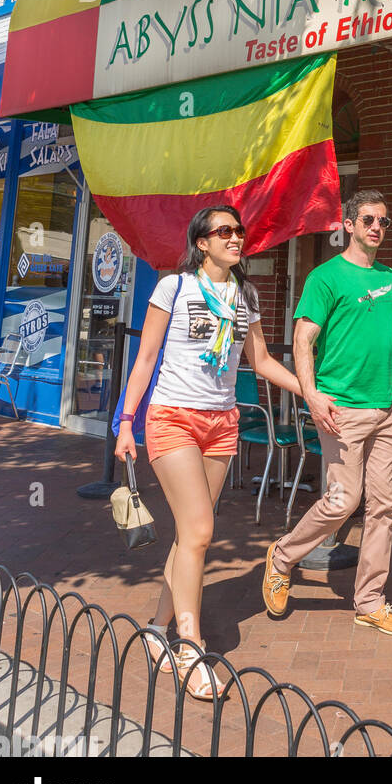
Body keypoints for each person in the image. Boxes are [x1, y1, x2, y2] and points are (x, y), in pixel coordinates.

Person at [115, 205, 300, 699]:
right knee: (199, 530)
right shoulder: (173, 288)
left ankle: (156, 628)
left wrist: (308, 389)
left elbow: (259, 360)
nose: (236, 238)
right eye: (224, 231)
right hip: (173, 417)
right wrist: (126, 422)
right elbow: (146, 359)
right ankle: (189, 647)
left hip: (222, 424)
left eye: (239, 231)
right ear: (202, 242)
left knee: (188, 536)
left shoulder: (245, 295)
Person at [262, 190, 392, 635]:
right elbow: (302, 340)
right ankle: (282, 556)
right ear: (350, 225)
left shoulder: (391, 279)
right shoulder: (326, 278)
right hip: (343, 410)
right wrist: (311, 395)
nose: (377, 227)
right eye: (369, 220)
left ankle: (370, 601)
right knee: (344, 502)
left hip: (387, 408)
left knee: (384, 507)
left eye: (383, 221)